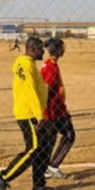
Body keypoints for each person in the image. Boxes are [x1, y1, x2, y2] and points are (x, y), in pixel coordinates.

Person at [0, 37, 50, 190]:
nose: (43, 51)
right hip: (29, 114)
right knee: (33, 149)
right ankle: (3, 176)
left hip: (31, 112)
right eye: (41, 48)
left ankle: (38, 185)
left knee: (41, 149)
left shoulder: (26, 63)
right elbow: (30, 91)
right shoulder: (26, 65)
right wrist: (40, 116)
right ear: (33, 49)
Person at [40, 38, 75, 180]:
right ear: (57, 50)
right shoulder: (51, 68)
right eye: (62, 47)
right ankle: (51, 167)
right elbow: (46, 91)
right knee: (69, 135)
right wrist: (45, 112)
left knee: (52, 140)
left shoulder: (50, 64)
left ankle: (48, 167)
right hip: (54, 111)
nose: (63, 49)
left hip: (57, 109)